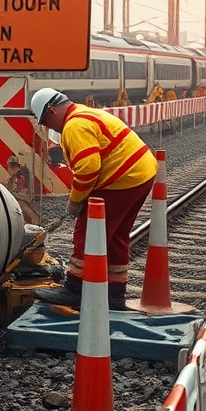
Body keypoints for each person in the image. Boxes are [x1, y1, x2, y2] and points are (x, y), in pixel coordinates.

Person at [30, 87, 157, 311]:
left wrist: (76, 200)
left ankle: (74, 290)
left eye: (45, 122)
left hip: (122, 178)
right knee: (116, 235)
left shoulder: (74, 126)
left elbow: (88, 168)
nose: (47, 127)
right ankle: (115, 294)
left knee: (88, 231)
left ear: (52, 110)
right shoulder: (84, 113)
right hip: (140, 174)